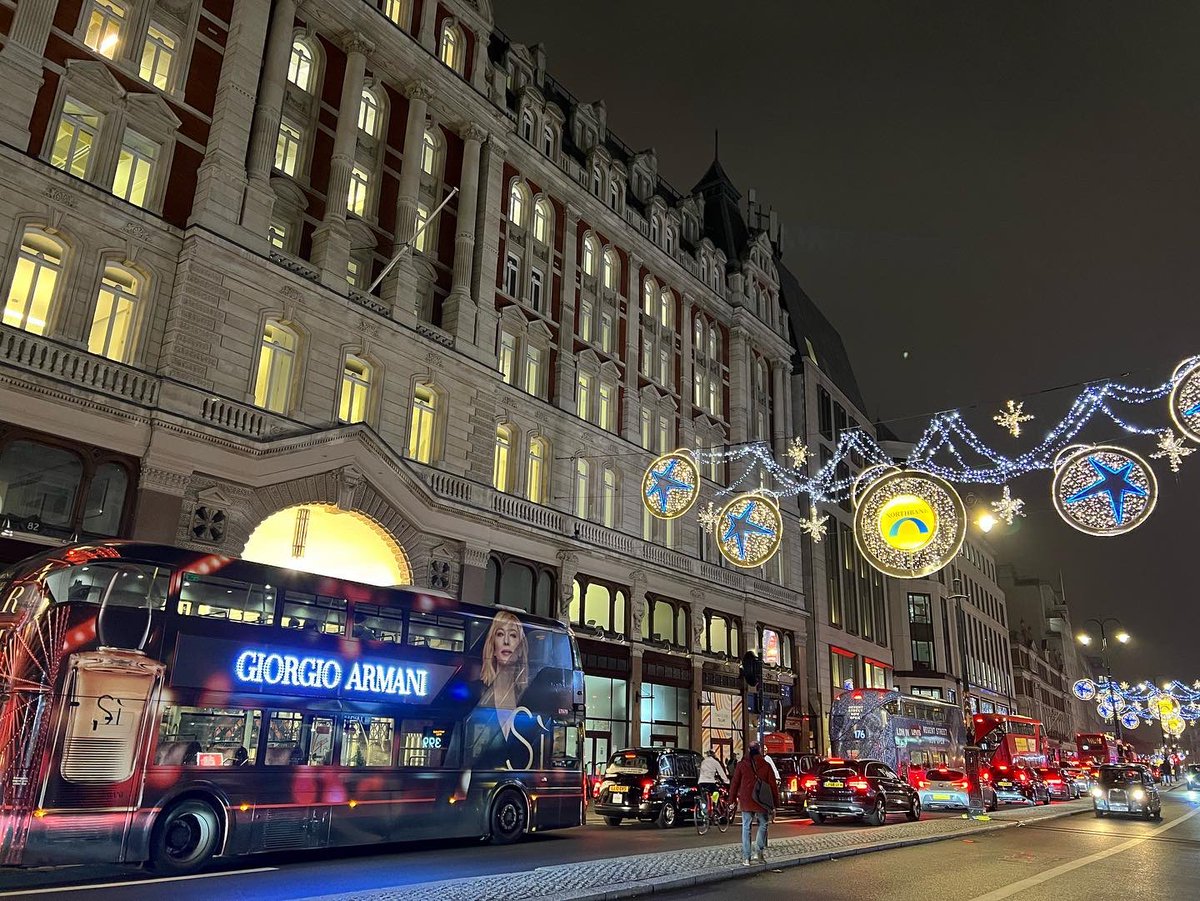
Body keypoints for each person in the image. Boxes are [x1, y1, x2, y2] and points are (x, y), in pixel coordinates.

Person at [729, 742, 780, 866]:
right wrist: (774, 804)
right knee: (763, 824)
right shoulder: (766, 765)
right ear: (759, 750)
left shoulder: (741, 765)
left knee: (746, 827)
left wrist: (731, 800)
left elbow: (734, 783)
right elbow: (773, 785)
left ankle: (746, 858)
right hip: (761, 800)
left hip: (746, 800)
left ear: (748, 750)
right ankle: (759, 851)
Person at [697, 749, 730, 819]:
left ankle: (704, 810)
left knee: (704, 796)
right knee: (716, 792)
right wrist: (726, 781)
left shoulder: (703, 762)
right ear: (713, 755)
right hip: (710, 782)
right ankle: (714, 805)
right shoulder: (715, 762)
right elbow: (721, 773)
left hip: (701, 782)